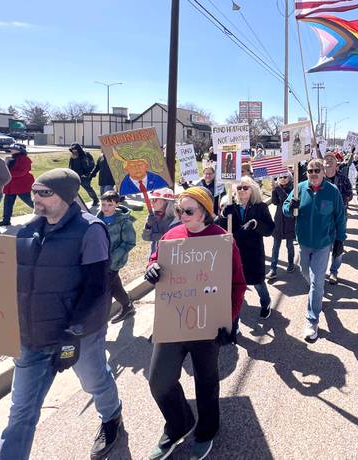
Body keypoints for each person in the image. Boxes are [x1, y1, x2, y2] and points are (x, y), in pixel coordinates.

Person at [0, 168, 123, 459]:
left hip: (78, 334)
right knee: (21, 412)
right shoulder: (24, 231)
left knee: (94, 381)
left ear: (65, 195)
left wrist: (74, 330)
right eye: (34, 191)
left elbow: (98, 286)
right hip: (31, 337)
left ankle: (112, 416)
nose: (35, 197)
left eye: (44, 193)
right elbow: (1, 280)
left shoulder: (91, 230)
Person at [143, 186, 246, 460]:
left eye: (188, 210)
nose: (182, 215)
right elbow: (157, 260)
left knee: (206, 380)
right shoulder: (172, 235)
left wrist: (229, 321)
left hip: (207, 324)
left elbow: (237, 284)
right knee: (159, 380)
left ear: (205, 212)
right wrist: (152, 267)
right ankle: (179, 423)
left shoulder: (222, 240)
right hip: (172, 321)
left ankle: (207, 429)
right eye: (178, 210)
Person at [283, 158, 346, 342]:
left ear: (323, 172)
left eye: (317, 170)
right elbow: (286, 208)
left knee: (317, 281)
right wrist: (290, 207)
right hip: (303, 242)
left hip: (323, 244)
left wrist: (340, 240)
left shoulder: (332, 192)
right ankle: (317, 292)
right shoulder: (299, 188)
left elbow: (340, 217)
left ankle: (312, 320)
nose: (313, 174)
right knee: (306, 273)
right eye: (310, 171)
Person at [219, 176, 275, 320]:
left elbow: (270, 229)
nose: (242, 190)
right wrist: (224, 215)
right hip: (235, 251)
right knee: (236, 282)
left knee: (257, 282)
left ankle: (265, 302)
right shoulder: (231, 207)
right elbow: (220, 229)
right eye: (239, 188)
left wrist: (256, 224)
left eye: (245, 188)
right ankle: (234, 312)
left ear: (252, 190)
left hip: (254, 252)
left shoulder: (260, 207)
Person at [97, 190, 136, 323]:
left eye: (109, 204)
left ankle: (100, 320)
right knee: (115, 286)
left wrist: (112, 257)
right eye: (103, 204)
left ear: (117, 204)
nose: (105, 208)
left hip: (113, 261)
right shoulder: (98, 219)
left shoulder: (124, 222)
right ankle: (128, 306)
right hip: (99, 260)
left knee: (106, 287)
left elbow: (129, 242)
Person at [323, 151, 352, 284]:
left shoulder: (343, 178)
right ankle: (320, 271)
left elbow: (350, 194)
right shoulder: (318, 178)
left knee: (338, 245)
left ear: (336, 165)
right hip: (322, 218)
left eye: (331, 159)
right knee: (322, 245)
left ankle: (334, 271)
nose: (328, 160)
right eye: (326, 158)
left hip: (339, 217)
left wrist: (339, 200)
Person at [267, 173, 296, 282]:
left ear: (289, 178)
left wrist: (277, 188)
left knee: (289, 246)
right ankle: (273, 268)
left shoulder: (293, 189)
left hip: (289, 222)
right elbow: (275, 202)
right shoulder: (277, 188)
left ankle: (291, 263)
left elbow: (286, 199)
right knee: (275, 247)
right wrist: (274, 190)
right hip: (278, 222)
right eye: (280, 177)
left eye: (285, 177)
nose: (283, 179)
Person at [0, 143, 34, 227]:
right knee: (7, 203)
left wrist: (6, 173)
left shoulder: (25, 159)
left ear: (19, 150)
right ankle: (6, 220)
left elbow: (21, 172)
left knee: (29, 201)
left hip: (22, 185)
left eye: (13, 148)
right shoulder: (11, 158)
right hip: (11, 185)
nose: (11, 150)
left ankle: (46, 212)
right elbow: (5, 169)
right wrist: (5, 162)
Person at [142, 188, 177, 254]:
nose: (151, 202)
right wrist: (148, 225)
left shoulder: (176, 219)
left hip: (171, 256)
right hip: (154, 256)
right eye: (151, 200)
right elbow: (145, 237)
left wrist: (154, 236)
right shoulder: (152, 216)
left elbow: (172, 240)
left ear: (165, 201)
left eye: (155, 200)